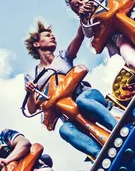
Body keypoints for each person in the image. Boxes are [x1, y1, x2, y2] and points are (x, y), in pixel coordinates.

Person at [24, 21, 117, 160]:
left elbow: (79, 35)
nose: (53, 37)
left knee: (82, 101)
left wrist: (83, 19)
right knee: (65, 130)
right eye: (47, 35)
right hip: (68, 112)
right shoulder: (32, 75)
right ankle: (100, 155)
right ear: (36, 44)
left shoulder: (63, 57)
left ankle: (117, 128)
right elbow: (31, 109)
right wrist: (31, 92)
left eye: (53, 35)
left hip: (87, 96)